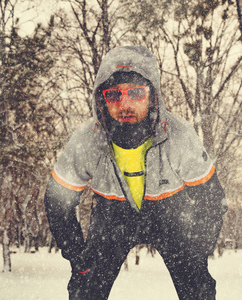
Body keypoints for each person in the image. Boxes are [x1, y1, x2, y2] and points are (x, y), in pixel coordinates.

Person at [44, 45, 227, 300]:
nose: (125, 104)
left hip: (169, 213)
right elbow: (57, 201)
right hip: (112, 215)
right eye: (113, 95)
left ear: (153, 96)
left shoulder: (180, 137)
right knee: (85, 286)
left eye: (136, 92)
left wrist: (199, 248)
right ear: (101, 100)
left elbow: (211, 197)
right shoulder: (87, 141)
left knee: (197, 286)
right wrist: (77, 256)